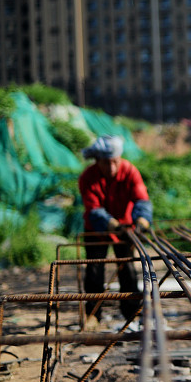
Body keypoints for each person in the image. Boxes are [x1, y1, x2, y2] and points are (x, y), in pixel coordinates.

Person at [78, 134, 153, 328]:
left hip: (125, 228)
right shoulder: (88, 177)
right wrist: (114, 225)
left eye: (115, 162)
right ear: (97, 160)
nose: (111, 168)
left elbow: (142, 200)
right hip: (97, 229)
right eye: (106, 163)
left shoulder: (130, 171)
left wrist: (142, 221)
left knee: (127, 269)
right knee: (94, 271)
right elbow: (94, 211)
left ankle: (132, 313)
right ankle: (93, 315)